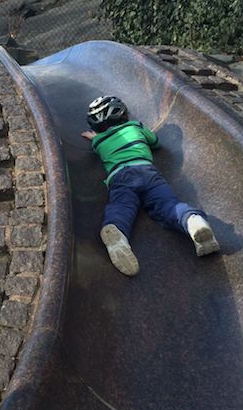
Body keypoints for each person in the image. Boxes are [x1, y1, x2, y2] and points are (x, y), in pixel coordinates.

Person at [81, 95, 219, 276]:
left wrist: (95, 138)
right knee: (168, 204)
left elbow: (100, 141)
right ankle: (192, 220)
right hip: (146, 171)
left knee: (122, 206)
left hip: (119, 177)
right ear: (123, 114)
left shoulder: (98, 142)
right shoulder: (135, 127)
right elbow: (155, 142)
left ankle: (117, 233)